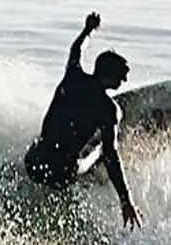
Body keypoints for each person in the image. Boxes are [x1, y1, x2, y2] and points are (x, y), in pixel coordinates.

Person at [23, 11, 140, 227]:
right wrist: (126, 200)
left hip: (33, 164)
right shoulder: (109, 110)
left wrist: (88, 30)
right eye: (122, 76)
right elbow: (111, 157)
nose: (125, 80)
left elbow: (76, 49)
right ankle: (92, 156)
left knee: (48, 139)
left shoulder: (72, 75)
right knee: (103, 148)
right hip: (61, 176)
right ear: (111, 77)